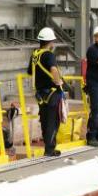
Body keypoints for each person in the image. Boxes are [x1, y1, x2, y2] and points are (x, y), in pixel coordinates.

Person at [29, 27, 64, 157]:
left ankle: (49, 147)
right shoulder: (49, 55)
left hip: (40, 93)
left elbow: (30, 72)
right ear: (51, 42)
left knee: (45, 120)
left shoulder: (35, 55)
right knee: (53, 121)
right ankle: (50, 149)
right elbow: (54, 70)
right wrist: (58, 82)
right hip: (51, 92)